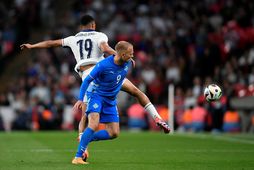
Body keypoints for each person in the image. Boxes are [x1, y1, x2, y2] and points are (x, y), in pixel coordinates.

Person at [20, 14, 170, 158]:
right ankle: (157, 117)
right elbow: (105, 48)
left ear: (81, 26)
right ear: (93, 25)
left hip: (91, 75)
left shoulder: (73, 39)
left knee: (87, 116)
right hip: (105, 71)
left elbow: (51, 43)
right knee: (136, 91)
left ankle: (83, 144)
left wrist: (32, 46)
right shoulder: (100, 35)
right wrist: (119, 56)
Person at [72, 41, 134, 164]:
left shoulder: (127, 63)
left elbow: (127, 62)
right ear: (122, 55)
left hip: (110, 100)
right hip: (96, 95)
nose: (132, 56)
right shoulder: (103, 65)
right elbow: (86, 81)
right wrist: (80, 98)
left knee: (114, 133)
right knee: (93, 124)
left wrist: (130, 59)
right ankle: (78, 157)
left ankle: (85, 138)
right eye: (130, 54)